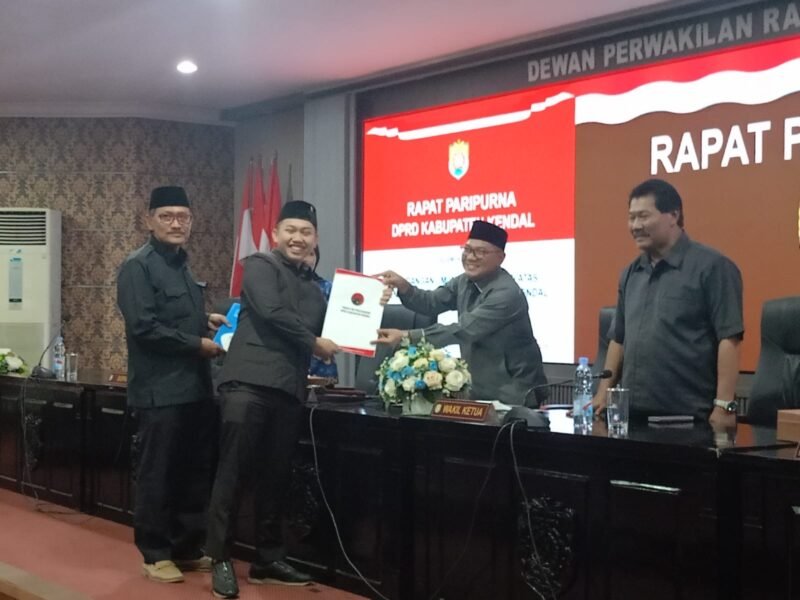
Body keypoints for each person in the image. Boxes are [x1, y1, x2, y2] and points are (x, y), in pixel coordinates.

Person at [206, 200, 339, 599]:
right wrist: (315, 341)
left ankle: (268, 558)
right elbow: (272, 312)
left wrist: (372, 308)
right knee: (232, 474)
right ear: (277, 233)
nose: (298, 239)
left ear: (315, 239)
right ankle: (220, 558)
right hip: (247, 384)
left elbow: (340, 324)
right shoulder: (260, 265)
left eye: (306, 233)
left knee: (276, 478)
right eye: (291, 231)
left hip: (288, 390)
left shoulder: (317, 288)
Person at [116, 186, 226, 583]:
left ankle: (186, 547)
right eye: (167, 216)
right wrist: (196, 343)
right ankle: (155, 552)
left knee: (193, 472)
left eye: (183, 216)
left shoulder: (183, 265)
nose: (176, 223)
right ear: (149, 220)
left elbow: (176, 316)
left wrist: (206, 320)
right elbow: (144, 327)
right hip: (159, 392)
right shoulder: (138, 266)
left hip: (196, 389)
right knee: (157, 473)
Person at [592, 178, 743, 426]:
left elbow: (729, 338)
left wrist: (724, 405)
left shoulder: (713, 267)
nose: (635, 226)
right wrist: (602, 392)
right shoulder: (631, 273)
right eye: (631, 218)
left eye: (643, 216)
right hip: (631, 415)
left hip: (688, 417)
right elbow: (619, 338)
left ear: (673, 215)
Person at [375, 220, 548, 406]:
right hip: (481, 389)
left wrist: (406, 336)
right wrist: (403, 286)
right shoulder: (464, 281)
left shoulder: (506, 293)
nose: (471, 257)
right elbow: (431, 302)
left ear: (500, 258)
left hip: (516, 392)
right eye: (467, 249)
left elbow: (463, 330)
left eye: (480, 252)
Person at [304, 247, 338, 381]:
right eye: (303, 253)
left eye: (311, 254)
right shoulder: (278, 286)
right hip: (286, 361)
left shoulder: (329, 288)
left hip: (321, 361)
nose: (307, 259)